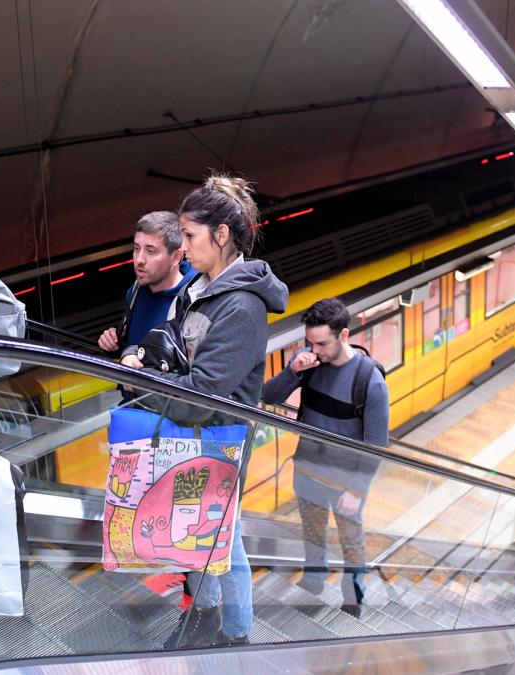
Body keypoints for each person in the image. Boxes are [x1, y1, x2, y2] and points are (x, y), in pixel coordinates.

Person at [121, 174, 288, 648]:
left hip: (220, 438)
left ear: (221, 235)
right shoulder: (202, 287)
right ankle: (207, 609)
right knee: (202, 531)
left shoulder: (241, 306)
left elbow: (203, 392)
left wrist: (144, 379)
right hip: (195, 437)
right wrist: (145, 356)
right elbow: (169, 348)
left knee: (223, 540)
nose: (184, 247)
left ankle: (236, 635)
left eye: (190, 237)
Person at [261, 298, 389, 617]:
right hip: (307, 471)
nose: (314, 350)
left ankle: (353, 599)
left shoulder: (369, 381)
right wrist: (293, 371)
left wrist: (356, 490)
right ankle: (314, 584)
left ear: (343, 335)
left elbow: (376, 443)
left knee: (351, 542)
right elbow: (267, 396)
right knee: (313, 533)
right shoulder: (309, 364)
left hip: (345, 482)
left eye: (322, 343)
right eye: (310, 342)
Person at [97, 211, 197, 354]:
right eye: (137, 249)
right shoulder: (136, 290)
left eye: (150, 251)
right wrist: (114, 344)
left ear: (176, 257)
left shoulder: (192, 303)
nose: (139, 260)